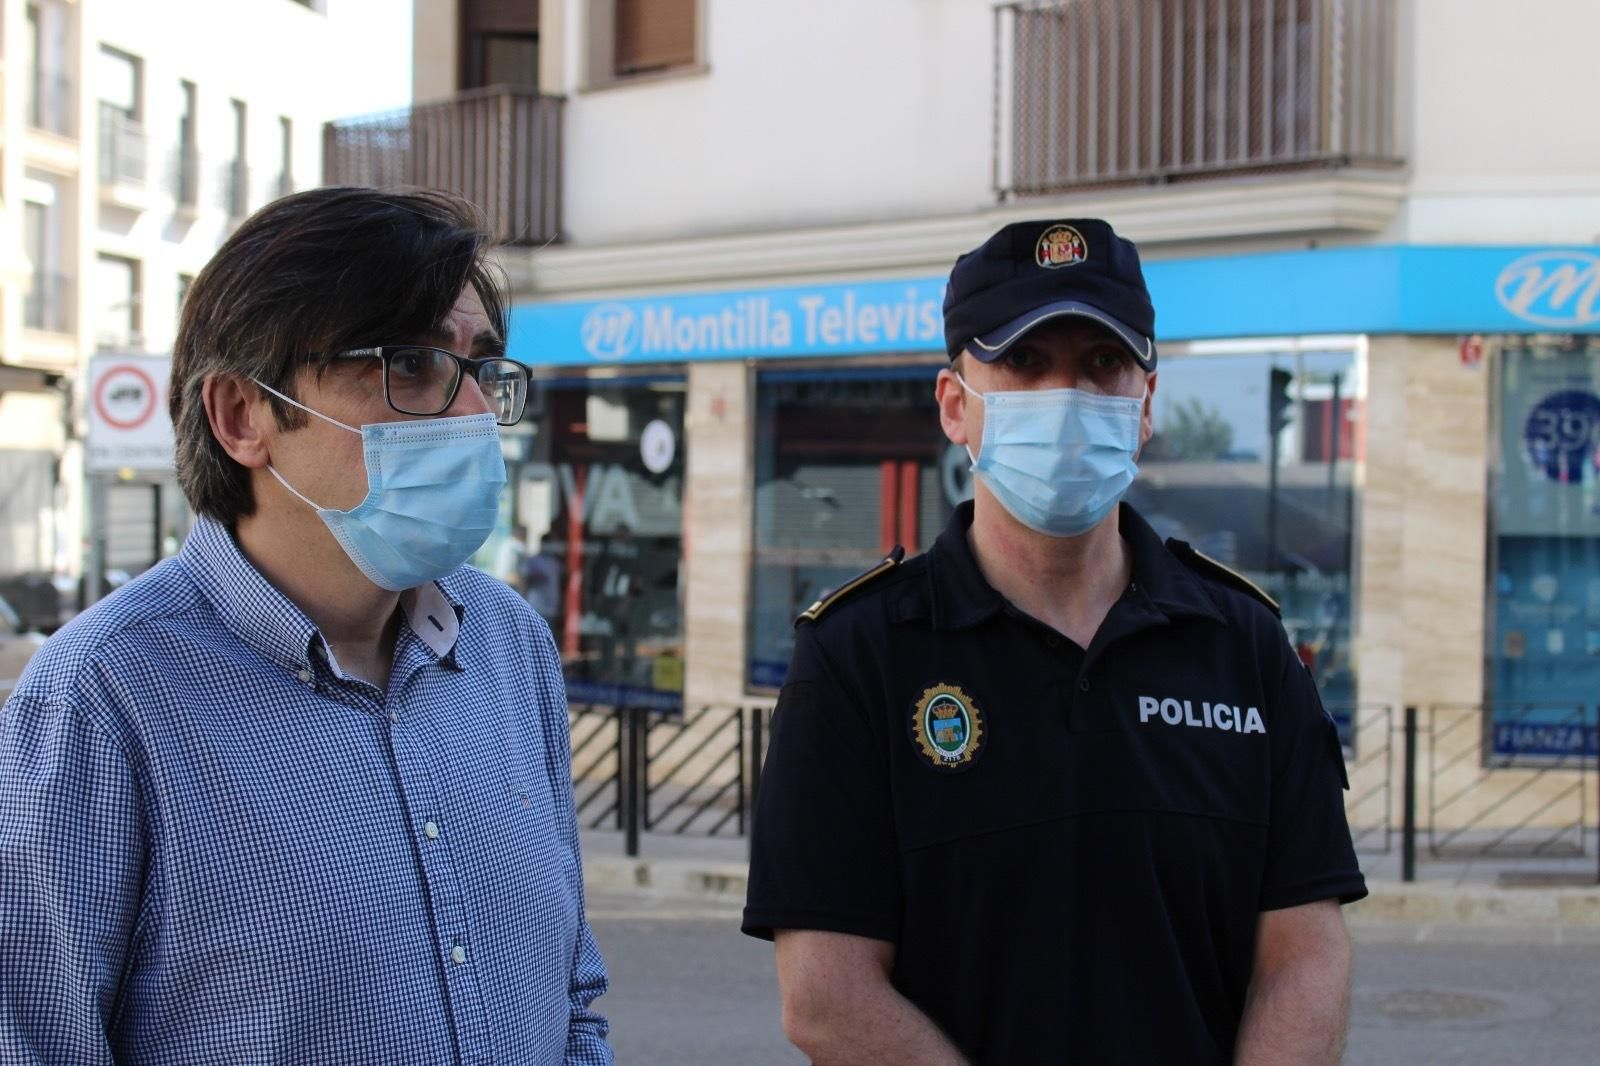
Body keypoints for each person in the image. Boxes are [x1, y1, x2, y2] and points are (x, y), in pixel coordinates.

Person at [0, 188, 613, 1064]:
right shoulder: (103, 697)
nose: (474, 413)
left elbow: (571, 998)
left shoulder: (506, 643)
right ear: (242, 416)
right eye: (409, 365)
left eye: (478, 367)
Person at [743, 218, 1365, 1064]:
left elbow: (1304, 954)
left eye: (1103, 365)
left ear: (1145, 406)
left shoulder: (1244, 645)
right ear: (956, 406)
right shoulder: (859, 657)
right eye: (1027, 364)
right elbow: (827, 997)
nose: (1068, 396)